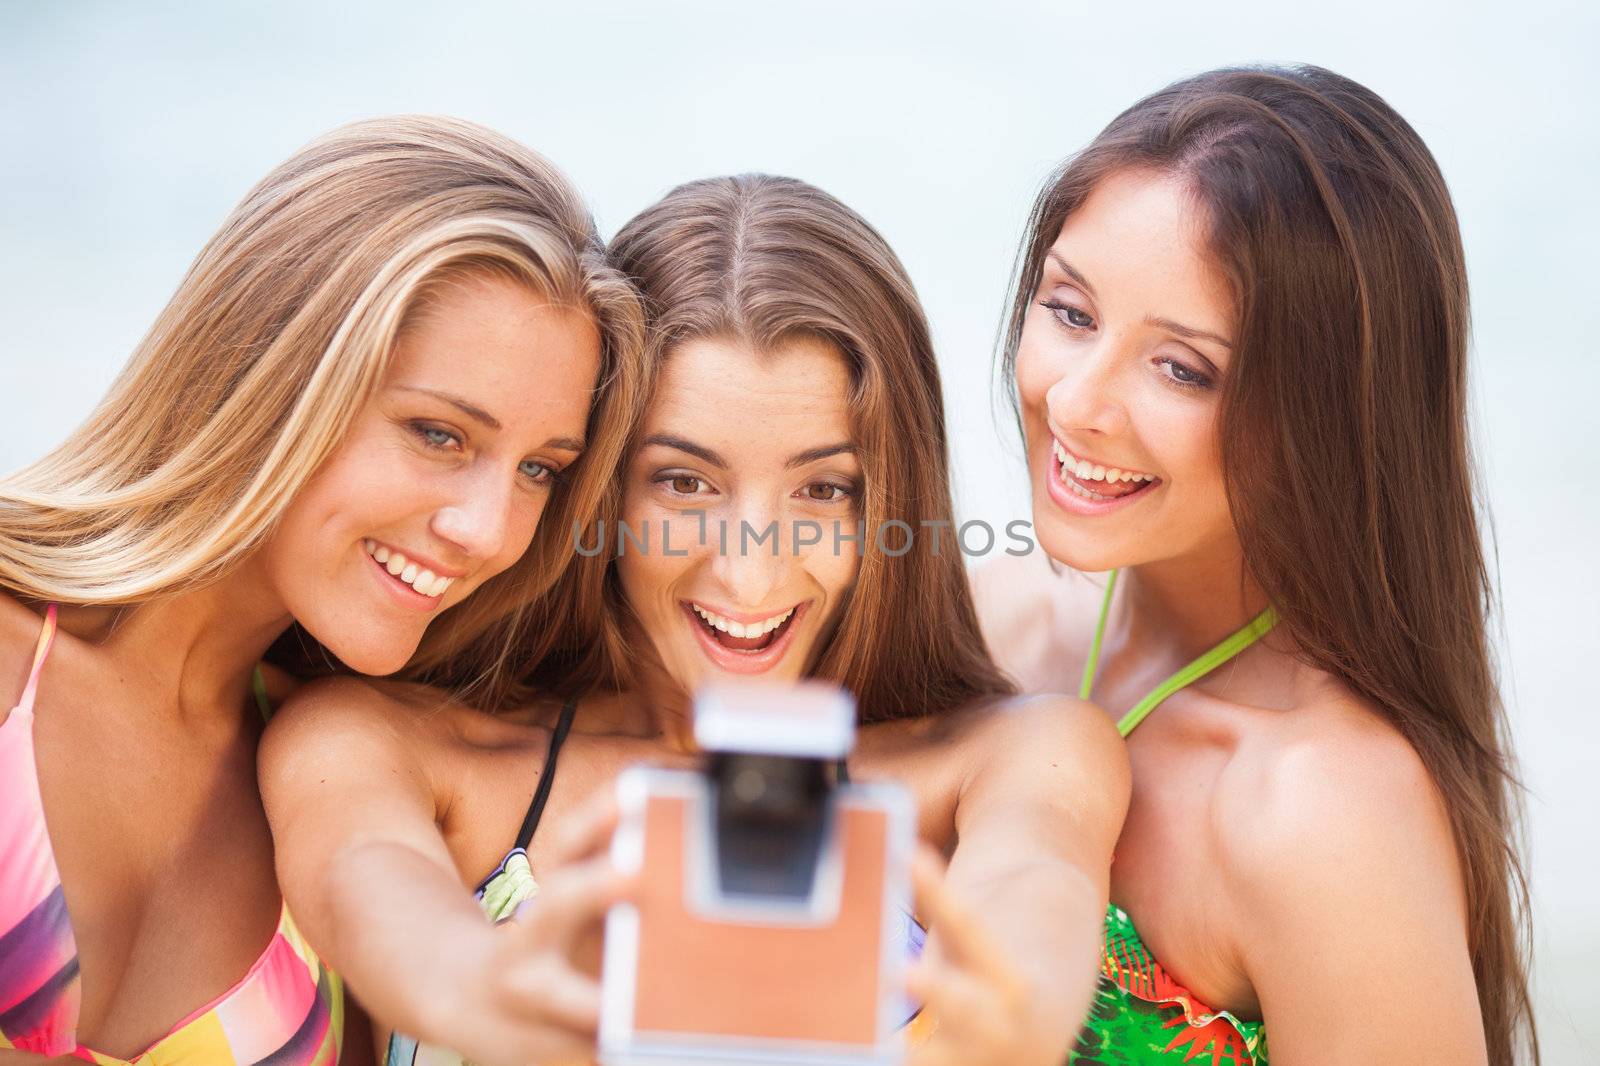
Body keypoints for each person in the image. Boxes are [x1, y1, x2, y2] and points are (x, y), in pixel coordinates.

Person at [261, 173, 1129, 1066]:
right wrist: (472, 987)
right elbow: (367, 882)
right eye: (683, 482)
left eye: (823, 490)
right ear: (595, 486)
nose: (750, 573)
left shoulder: (1016, 755)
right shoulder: (379, 744)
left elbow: (1037, 882)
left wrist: (1019, 1012)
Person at [0, 115, 643, 1065]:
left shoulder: (336, 769)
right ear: (277, 370)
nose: (491, 530)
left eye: (540, 471)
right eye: (438, 434)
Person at [976, 64, 1536, 1064]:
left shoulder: (1320, 810)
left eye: (1182, 369)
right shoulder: (998, 621)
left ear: (1326, 413)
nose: (1075, 402)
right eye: (1069, 310)